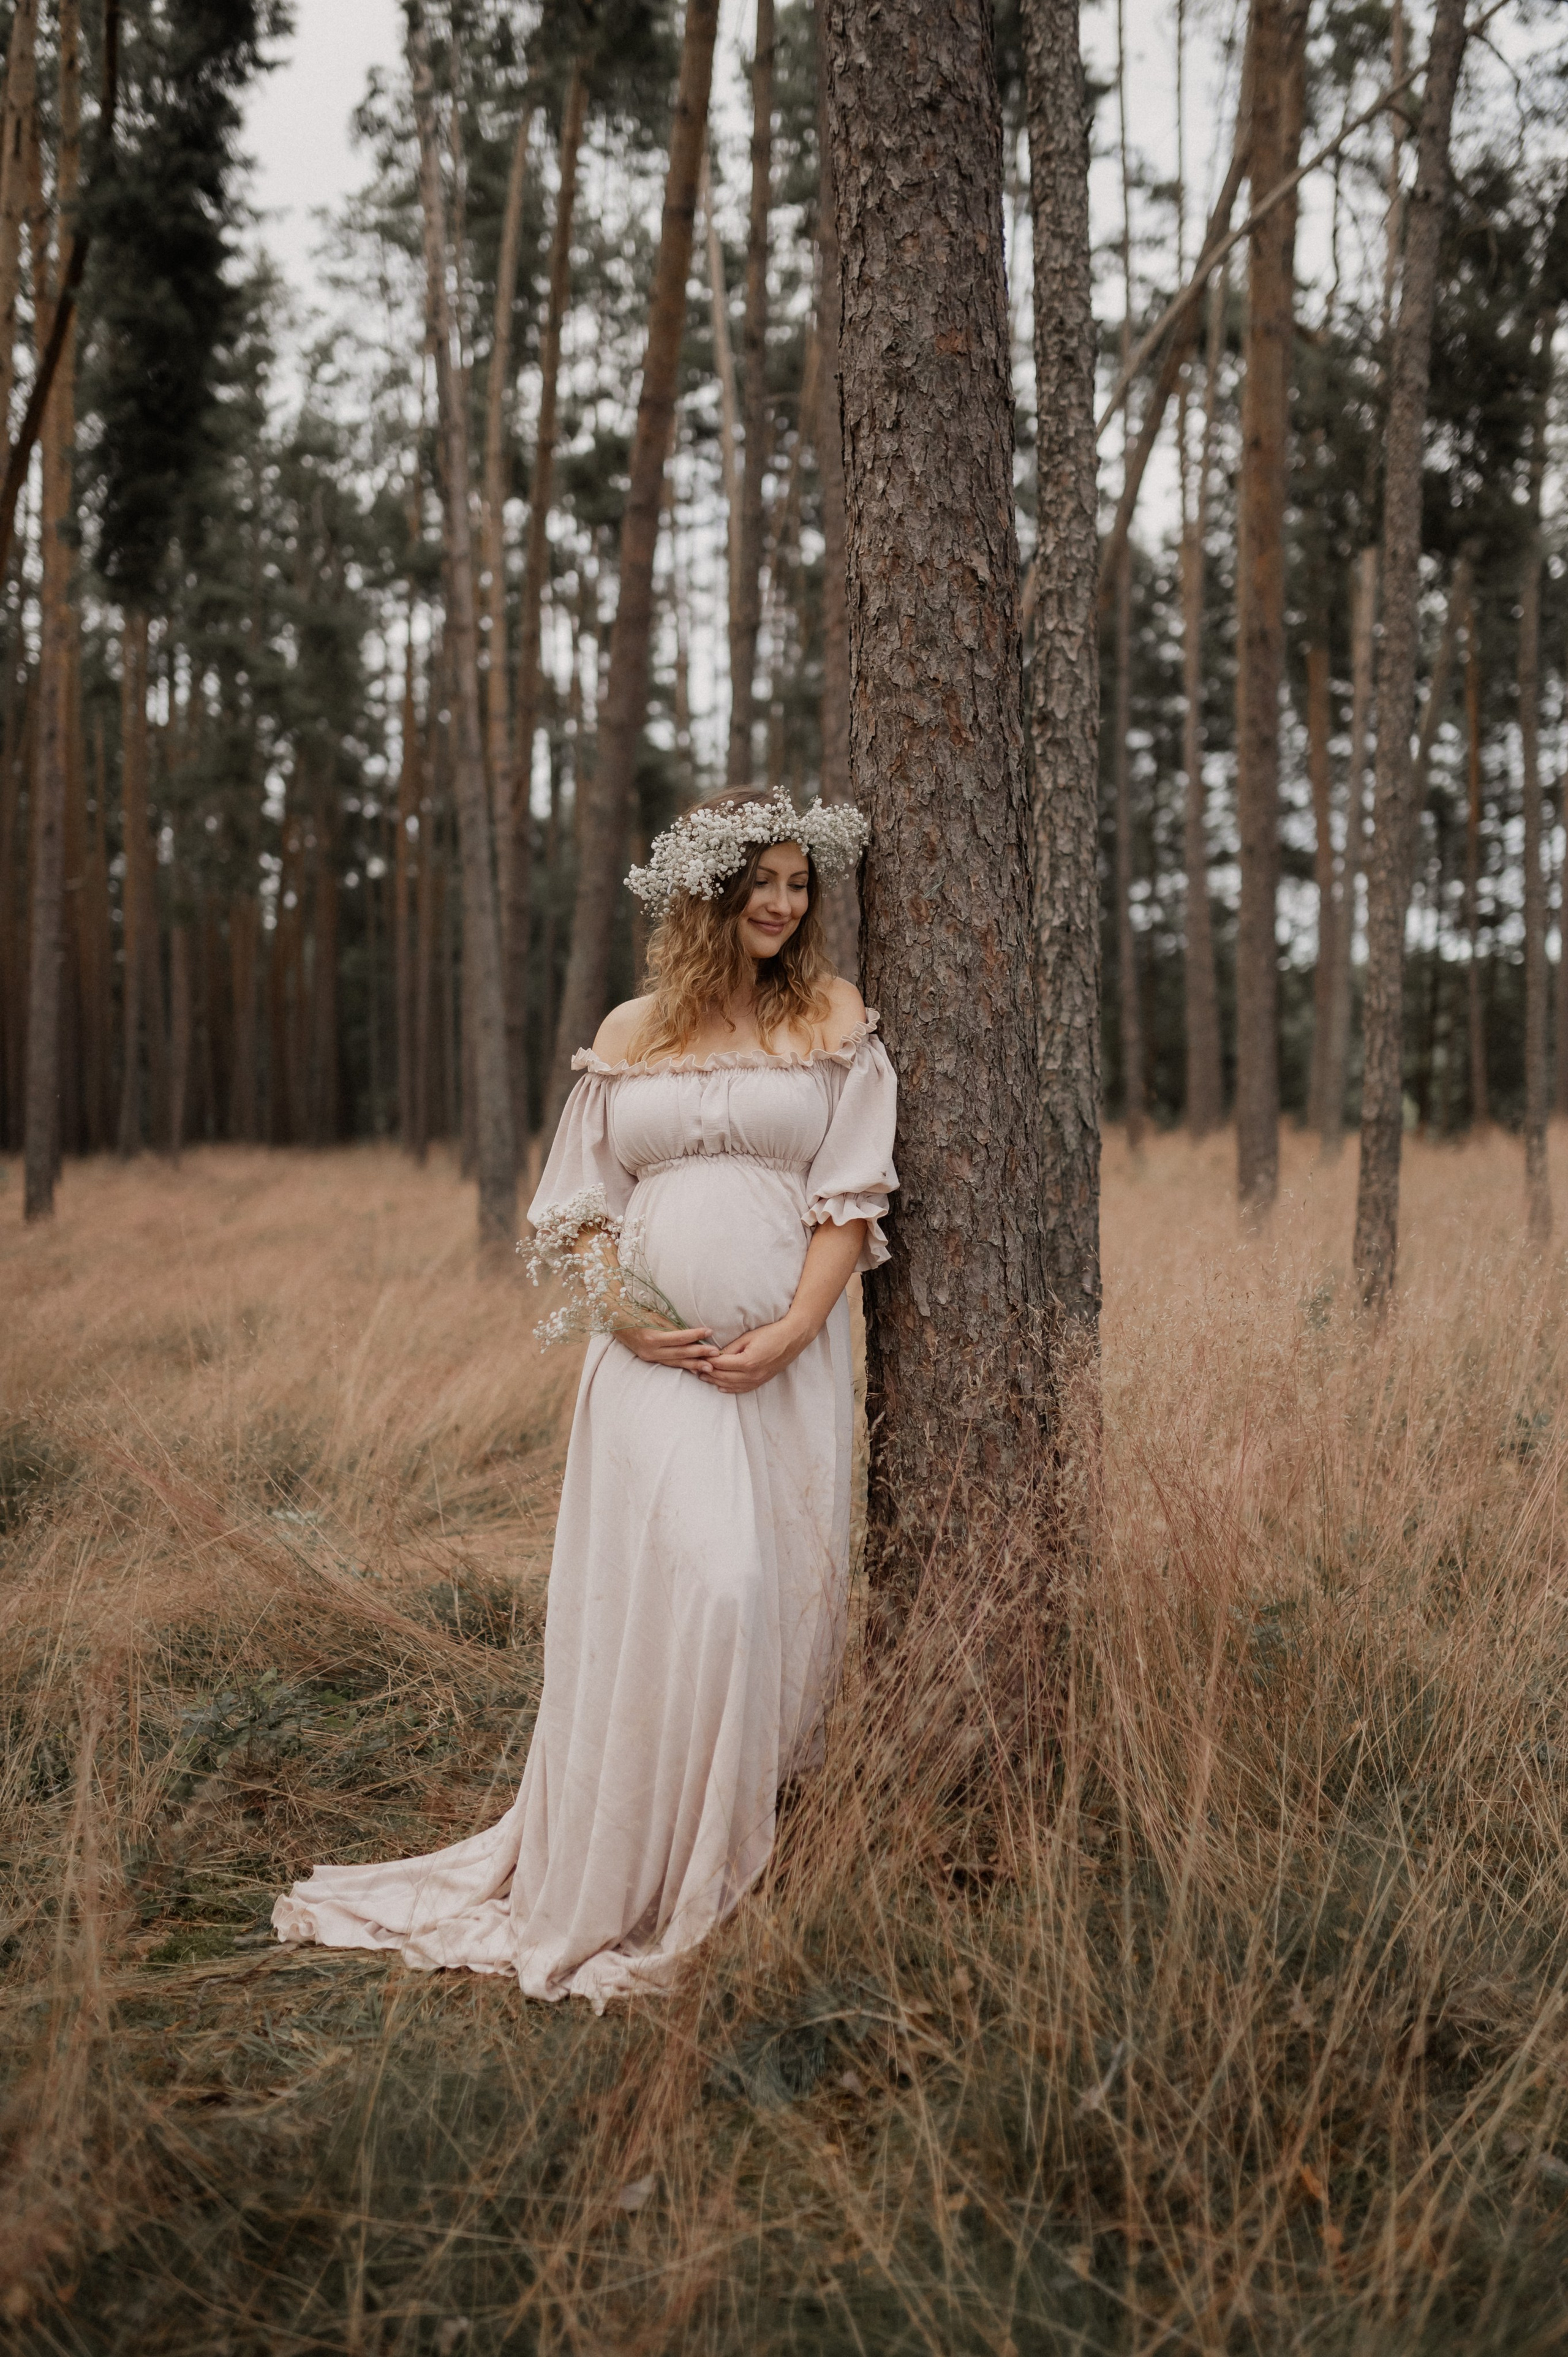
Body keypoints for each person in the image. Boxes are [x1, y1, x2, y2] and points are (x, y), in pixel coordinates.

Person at [273, 786, 898, 2008]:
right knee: (688, 1594)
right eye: (756, 880)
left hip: (782, 1364)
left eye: (796, 881)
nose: (781, 902)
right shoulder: (629, 1033)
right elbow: (573, 1205)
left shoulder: (828, 1019)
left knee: (755, 1602)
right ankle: (629, 1864)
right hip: (646, 1371)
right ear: (698, 893)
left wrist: (789, 1331)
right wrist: (620, 1311)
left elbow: (851, 1197)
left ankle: (724, 1866)